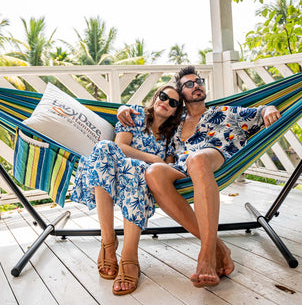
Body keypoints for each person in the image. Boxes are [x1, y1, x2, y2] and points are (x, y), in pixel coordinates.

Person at [117, 66, 281, 288]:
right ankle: (218, 247)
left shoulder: (224, 112)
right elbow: (149, 114)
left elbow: (261, 111)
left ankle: (206, 256)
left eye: (199, 81)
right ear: (181, 95)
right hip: (183, 167)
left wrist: (269, 108)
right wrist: (123, 108)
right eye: (189, 84)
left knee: (197, 159)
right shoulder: (175, 122)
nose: (197, 85)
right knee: (153, 172)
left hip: (214, 159)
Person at [71, 85, 183, 295]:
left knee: (134, 168)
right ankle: (108, 241)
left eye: (173, 102)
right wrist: (153, 158)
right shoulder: (135, 115)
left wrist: (157, 163)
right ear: (156, 96)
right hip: (111, 174)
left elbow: (166, 167)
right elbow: (119, 146)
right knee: (104, 147)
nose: (166, 102)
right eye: (163, 96)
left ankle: (129, 255)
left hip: (141, 182)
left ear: (176, 111)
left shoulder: (172, 137)